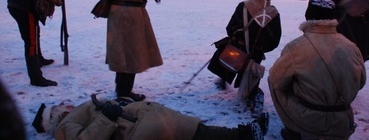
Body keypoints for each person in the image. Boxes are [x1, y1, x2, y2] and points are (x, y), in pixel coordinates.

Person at [268, 0, 366, 140]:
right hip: (342, 118)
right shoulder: (351, 46)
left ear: (308, 16)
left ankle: (293, 128)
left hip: (310, 118)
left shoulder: (296, 47)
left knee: (274, 81)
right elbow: (361, 82)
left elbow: (277, 81)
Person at [32, 95, 269, 140]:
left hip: (140, 119)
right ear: (55, 115)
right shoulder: (64, 126)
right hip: (139, 128)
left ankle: (243, 133)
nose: (65, 103)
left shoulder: (75, 116)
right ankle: (243, 134)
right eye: (59, 105)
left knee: (193, 132)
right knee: (193, 132)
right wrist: (106, 116)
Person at [208, 0, 282, 115]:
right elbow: (274, 41)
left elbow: (230, 28)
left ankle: (224, 78)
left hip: (237, 47)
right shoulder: (273, 13)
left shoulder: (243, 6)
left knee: (230, 58)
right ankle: (252, 96)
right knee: (250, 77)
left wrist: (238, 36)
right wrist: (260, 48)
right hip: (256, 53)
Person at [7, 0, 70, 87]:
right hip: (25, 7)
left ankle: (39, 59)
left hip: (17, 5)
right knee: (31, 42)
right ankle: (36, 77)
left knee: (34, 35)